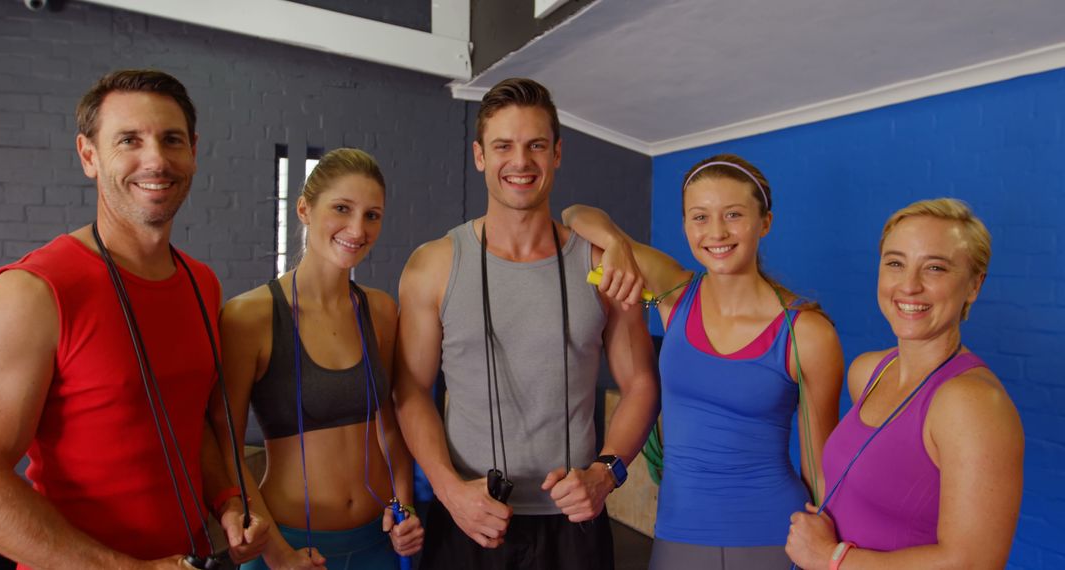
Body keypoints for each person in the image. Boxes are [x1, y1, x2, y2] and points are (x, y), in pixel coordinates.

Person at [0, 69, 268, 568]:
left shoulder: (202, 283)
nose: (155, 159)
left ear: (194, 151)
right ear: (89, 155)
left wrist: (226, 499)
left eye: (171, 139)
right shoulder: (32, 292)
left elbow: (183, 418)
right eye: (129, 140)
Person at [393, 77, 660, 570]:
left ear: (557, 153)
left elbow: (641, 382)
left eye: (536, 145)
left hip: (574, 519)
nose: (520, 161)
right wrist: (450, 492)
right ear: (479, 156)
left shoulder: (602, 265)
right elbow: (410, 390)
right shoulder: (432, 265)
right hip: (470, 513)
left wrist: (606, 474)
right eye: (503, 146)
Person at [563, 154, 844, 569]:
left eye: (734, 214)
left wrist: (831, 554)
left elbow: (821, 468)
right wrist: (620, 244)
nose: (716, 232)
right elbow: (575, 215)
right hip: (679, 533)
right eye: (700, 217)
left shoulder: (806, 332)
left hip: (774, 536)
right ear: (685, 225)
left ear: (764, 222)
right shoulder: (675, 292)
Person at [212, 148, 423, 570]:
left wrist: (405, 509)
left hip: (378, 540)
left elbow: (391, 426)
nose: (357, 228)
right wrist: (277, 555)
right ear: (305, 209)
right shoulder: (248, 316)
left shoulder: (379, 310)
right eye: (342, 208)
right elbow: (225, 448)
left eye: (372, 215)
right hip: (290, 547)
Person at [786, 198, 1023, 569]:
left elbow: (974, 563)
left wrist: (830, 558)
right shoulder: (869, 371)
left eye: (935, 268)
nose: (909, 286)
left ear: (974, 286)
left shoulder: (970, 403)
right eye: (895, 263)